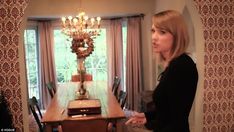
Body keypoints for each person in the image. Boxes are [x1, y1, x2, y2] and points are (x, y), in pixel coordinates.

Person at [125, 10, 198, 132]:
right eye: (153, 31)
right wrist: (146, 116)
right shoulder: (173, 64)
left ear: (177, 36)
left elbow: (177, 121)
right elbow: (168, 109)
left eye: (162, 32)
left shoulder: (181, 66)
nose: (154, 37)